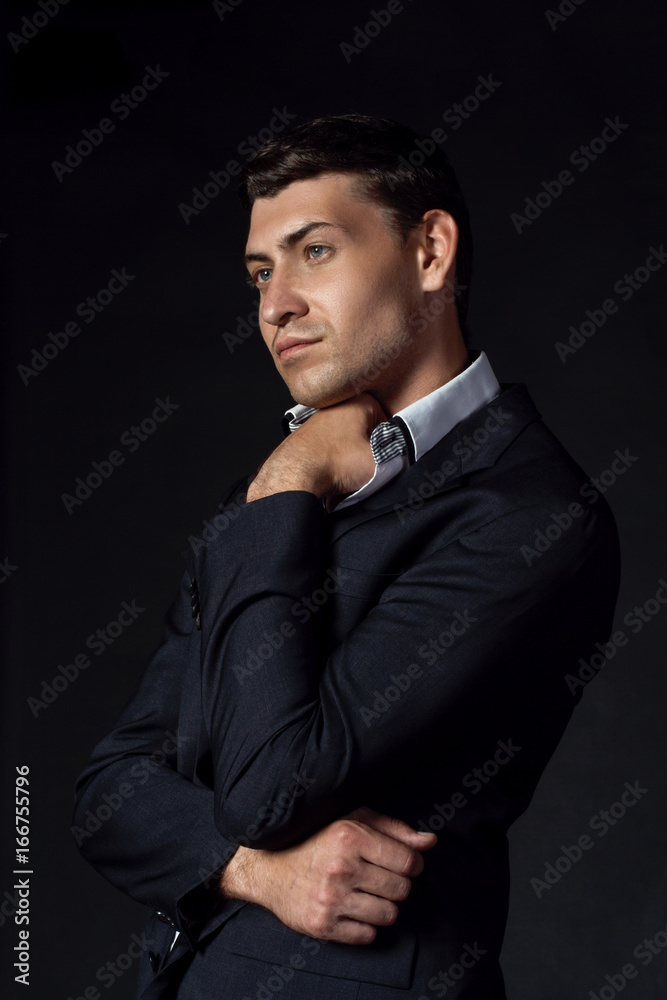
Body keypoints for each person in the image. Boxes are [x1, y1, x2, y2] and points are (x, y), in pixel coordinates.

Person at [73, 113, 620, 999]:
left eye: (314, 251)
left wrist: (290, 480)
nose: (273, 304)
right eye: (259, 270)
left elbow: (270, 791)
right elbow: (108, 789)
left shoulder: (529, 516)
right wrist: (251, 872)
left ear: (430, 252)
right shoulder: (270, 502)